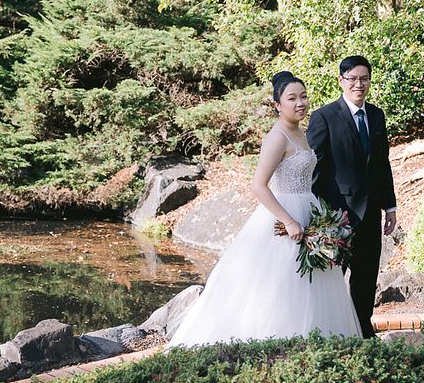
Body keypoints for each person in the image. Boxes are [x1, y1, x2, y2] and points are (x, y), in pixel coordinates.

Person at [168, 72, 361, 346]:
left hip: (309, 210)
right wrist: (290, 221)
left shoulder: (301, 133)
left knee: (312, 285)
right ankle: (277, 345)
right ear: (277, 105)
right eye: (292, 98)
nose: (300, 103)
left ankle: (314, 346)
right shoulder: (277, 137)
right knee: (280, 286)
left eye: (303, 97)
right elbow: (258, 185)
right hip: (285, 217)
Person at [307, 55, 397, 339]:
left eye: (364, 78)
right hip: (337, 214)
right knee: (332, 278)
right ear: (341, 81)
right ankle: (327, 332)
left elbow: (382, 163)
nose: (359, 84)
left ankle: (361, 332)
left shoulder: (377, 115)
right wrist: (317, 213)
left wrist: (390, 206)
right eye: (353, 78)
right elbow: (315, 167)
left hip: (370, 212)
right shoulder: (324, 117)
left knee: (367, 276)